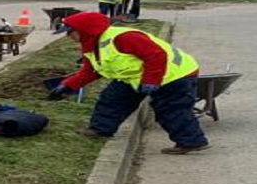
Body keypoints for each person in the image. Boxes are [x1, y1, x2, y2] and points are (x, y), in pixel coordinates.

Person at [46, 10, 209, 154]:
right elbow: (91, 71)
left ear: (85, 30)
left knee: (170, 110)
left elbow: (156, 55)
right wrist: (68, 85)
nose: (68, 36)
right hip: (135, 77)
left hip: (173, 75)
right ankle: (100, 129)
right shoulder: (91, 45)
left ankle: (192, 142)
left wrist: (151, 81)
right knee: (112, 99)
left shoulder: (124, 37)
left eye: (70, 32)